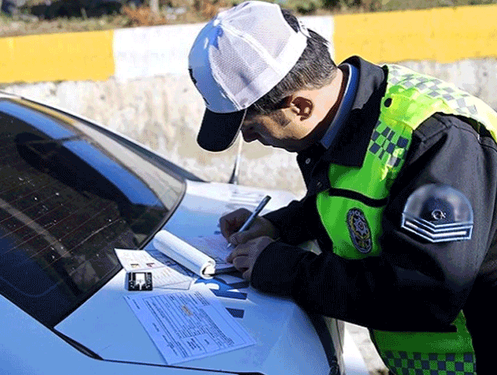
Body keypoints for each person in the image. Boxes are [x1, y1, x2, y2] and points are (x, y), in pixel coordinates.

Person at [187, 1, 497, 373]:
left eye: (252, 127)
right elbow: (351, 200)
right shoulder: (348, 114)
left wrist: (283, 268)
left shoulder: (435, 141)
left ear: (299, 106)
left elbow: (425, 293)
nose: (251, 141)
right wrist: (279, 226)